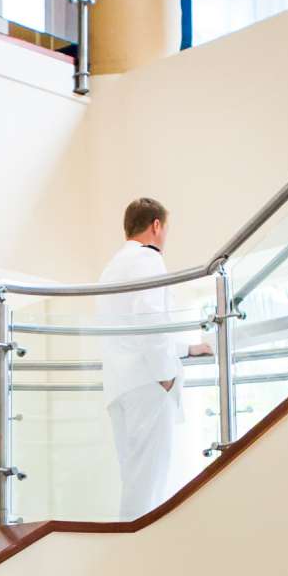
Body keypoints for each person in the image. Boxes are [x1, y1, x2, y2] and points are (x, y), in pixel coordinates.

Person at [98, 196, 186, 520]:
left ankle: (128, 555)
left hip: (120, 385)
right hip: (148, 381)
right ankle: (137, 558)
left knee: (134, 480)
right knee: (149, 483)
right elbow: (150, 316)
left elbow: (127, 325)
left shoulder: (111, 267)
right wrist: (166, 375)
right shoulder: (149, 259)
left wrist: (186, 348)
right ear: (156, 225)